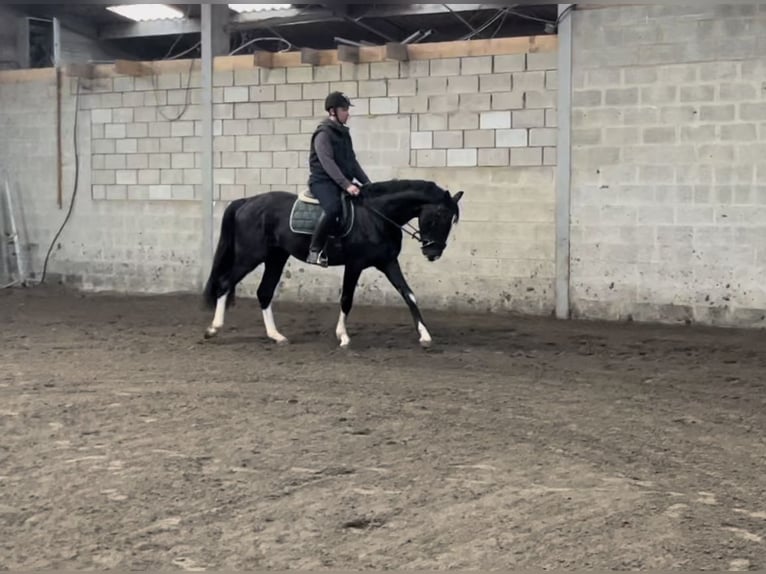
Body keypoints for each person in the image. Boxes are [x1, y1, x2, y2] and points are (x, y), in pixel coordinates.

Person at [305, 91, 371, 267]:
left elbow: (352, 162)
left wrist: (368, 184)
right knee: (333, 209)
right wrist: (347, 184)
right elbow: (328, 163)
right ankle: (315, 250)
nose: (347, 113)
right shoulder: (323, 134)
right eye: (344, 109)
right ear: (333, 111)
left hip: (340, 181)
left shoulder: (343, 133)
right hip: (323, 182)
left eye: (347, 109)